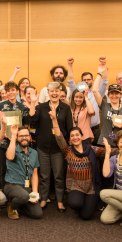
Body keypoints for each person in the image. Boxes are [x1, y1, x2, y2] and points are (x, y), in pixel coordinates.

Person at [50, 106, 118, 220]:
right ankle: (79, 204)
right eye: (72, 136)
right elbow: (59, 136)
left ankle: (87, 203)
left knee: (86, 216)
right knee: (76, 203)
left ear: (82, 137)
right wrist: (54, 119)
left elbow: (109, 152)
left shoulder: (91, 149)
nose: (75, 137)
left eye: (77, 135)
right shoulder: (68, 151)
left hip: (91, 187)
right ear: (70, 139)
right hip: (75, 186)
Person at [29, 82, 73, 212]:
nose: (54, 93)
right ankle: (44, 199)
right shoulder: (42, 107)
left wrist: (69, 147)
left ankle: (60, 201)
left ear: (60, 93)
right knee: (44, 175)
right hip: (43, 147)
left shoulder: (65, 108)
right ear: (48, 93)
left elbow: (69, 128)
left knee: (59, 175)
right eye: (51, 91)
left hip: (59, 149)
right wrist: (32, 103)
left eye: (57, 91)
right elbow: (32, 119)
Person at [0, 81, 31, 190]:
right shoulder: (0, 106)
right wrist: (0, 133)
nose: (10, 93)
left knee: (19, 168)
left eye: (12, 90)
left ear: (17, 91)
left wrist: (20, 136)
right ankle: (4, 193)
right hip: (3, 144)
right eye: (8, 91)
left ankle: (20, 191)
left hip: (18, 144)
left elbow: (26, 126)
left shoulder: (23, 108)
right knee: (3, 169)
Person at [67, 56, 109, 144]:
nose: (86, 81)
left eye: (88, 79)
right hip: (80, 131)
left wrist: (103, 65)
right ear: (81, 81)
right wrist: (70, 65)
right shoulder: (77, 93)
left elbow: (104, 81)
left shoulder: (97, 93)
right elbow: (70, 81)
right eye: (84, 80)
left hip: (95, 129)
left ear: (93, 81)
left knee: (96, 154)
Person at [4, 125, 42, 220]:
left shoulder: (34, 153)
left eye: (26, 135)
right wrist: (13, 135)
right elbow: (9, 157)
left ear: (30, 137)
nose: (24, 137)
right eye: (21, 136)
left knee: (38, 214)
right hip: (11, 186)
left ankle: (19, 202)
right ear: (17, 138)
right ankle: (11, 206)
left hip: (25, 188)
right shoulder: (13, 149)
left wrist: (35, 193)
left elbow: (34, 174)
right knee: (24, 196)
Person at [92, 62, 122, 148]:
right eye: (111, 93)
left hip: (120, 144)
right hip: (104, 143)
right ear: (108, 95)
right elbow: (94, 91)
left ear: (120, 95)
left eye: (117, 93)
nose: (114, 96)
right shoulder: (105, 105)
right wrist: (99, 73)